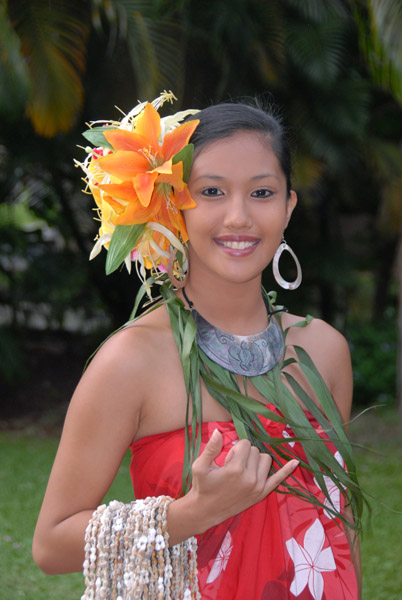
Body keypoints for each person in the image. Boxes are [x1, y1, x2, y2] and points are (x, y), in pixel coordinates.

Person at [33, 92, 363, 599]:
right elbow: (50, 545)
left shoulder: (324, 350)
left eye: (261, 193)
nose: (238, 217)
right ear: (172, 203)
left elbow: (340, 530)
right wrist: (191, 515)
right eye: (210, 192)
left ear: (288, 206)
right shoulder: (132, 360)